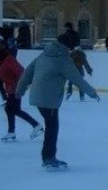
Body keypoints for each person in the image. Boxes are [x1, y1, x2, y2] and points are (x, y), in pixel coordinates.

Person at [16, 39, 100, 170]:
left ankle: (49, 157)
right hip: (48, 100)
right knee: (52, 127)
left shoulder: (43, 55)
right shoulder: (63, 61)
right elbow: (77, 79)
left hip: (38, 96)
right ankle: (48, 158)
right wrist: (92, 93)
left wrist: (20, 90)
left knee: (51, 126)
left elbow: (27, 73)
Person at [0, 44, 43, 142]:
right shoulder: (3, 60)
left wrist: (19, 86)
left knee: (12, 109)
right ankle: (12, 132)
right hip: (11, 89)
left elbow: (21, 72)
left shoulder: (9, 60)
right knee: (11, 109)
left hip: (16, 89)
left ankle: (36, 125)